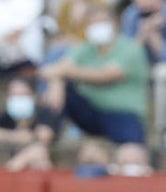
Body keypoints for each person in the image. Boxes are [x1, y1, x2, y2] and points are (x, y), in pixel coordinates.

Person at [38, 2, 150, 146]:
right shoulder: (85, 48)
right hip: (92, 113)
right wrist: (57, 81)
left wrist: (65, 72)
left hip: (122, 114)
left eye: (102, 22)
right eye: (93, 23)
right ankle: (41, 141)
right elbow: (47, 70)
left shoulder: (130, 48)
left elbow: (109, 74)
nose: (98, 27)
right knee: (58, 87)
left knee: (131, 150)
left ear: (115, 23)